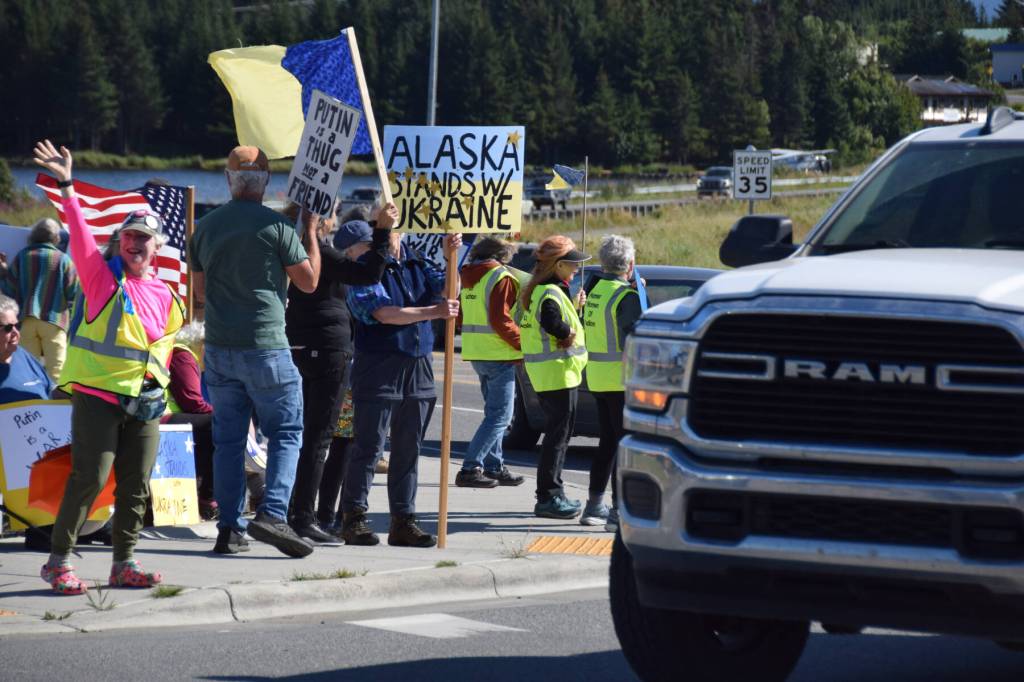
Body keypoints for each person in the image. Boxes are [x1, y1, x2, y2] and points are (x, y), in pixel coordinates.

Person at [33, 139, 184, 595]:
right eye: (129, 236)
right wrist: (66, 186)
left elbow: (162, 351)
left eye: (143, 238)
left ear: (156, 247)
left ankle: (124, 563)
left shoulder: (165, 293)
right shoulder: (102, 278)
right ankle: (58, 561)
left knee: (136, 486)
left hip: (147, 403)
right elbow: (78, 238)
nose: (135, 243)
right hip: (99, 398)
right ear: (120, 241)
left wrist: (167, 400)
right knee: (90, 479)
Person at [189, 145, 320, 558]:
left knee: (228, 442)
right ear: (266, 183)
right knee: (286, 431)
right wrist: (311, 232)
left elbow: (199, 291)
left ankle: (230, 528)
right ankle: (274, 514)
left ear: (229, 180)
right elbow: (309, 282)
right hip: (266, 347)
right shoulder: (277, 227)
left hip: (221, 349)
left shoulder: (205, 227)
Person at [340, 229, 461, 547]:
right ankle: (353, 519)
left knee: (409, 449)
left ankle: (403, 521)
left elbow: (449, 291)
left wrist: (452, 259)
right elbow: (382, 313)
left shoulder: (417, 262)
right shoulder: (365, 269)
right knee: (369, 447)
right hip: (379, 365)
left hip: (418, 365)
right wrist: (434, 312)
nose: (395, 235)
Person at [284, 202, 395, 544]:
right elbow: (367, 274)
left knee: (299, 435)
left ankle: (289, 509)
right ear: (319, 220)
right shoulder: (320, 255)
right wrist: (382, 230)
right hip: (326, 349)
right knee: (319, 437)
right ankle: (304, 516)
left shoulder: (287, 249)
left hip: (299, 345)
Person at [519, 235, 589, 519]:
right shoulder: (549, 293)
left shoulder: (547, 290)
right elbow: (551, 322)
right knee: (557, 439)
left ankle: (551, 493)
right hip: (557, 374)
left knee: (558, 436)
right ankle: (549, 496)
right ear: (558, 265)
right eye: (572, 264)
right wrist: (565, 332)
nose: (576, 269)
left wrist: (574, 306)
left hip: (554, 375)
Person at [582, 235, 643, 531]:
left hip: (596, 376)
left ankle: (593, 506)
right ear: (630, 264)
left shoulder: (594, 291)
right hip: (621, 379)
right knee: (623, 445)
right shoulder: (626, 296)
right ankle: (618, 512)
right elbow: (636, 338)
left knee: (607, 442)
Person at [455, 236, 526, 488]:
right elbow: (501, 320)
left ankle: (494, 465)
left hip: (477, 351)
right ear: (502, 255)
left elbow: (461, 315)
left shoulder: (466, 275)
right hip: (499, 353)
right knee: (500, 417)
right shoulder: (500, 277)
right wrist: (522, 343)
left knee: (494, 413)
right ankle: (470, 467)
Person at [0, 217, 80, 382]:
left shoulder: (23, 256)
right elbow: (74, 292)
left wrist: (3, 271)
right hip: (55, 321)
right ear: (56, 238)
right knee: (57, 370)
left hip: (26, 320)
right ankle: (55, 405)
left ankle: (33, 400)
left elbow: (8, 289)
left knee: (29, 368)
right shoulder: (63, 259)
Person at [161, 321, 218, 520]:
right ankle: (208, 496)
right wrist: (226, 414)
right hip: (164, 418)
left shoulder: (183, 354)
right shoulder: (183, 356)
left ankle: (206, 494)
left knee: (211, 430)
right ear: (202, 344)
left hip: (166, 417)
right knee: (217, 425)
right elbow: (192, 403)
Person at [0, 294, 54, 403]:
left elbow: (50, 389)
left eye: (18, 326)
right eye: (8, 328)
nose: (16, 333)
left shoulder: (21, 354)